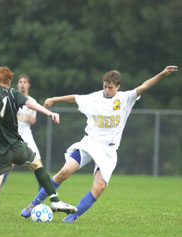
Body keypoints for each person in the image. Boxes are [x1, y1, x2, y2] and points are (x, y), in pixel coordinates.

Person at [21, 65, 178, 223]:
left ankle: (71, 217)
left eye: (110, 88)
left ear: (118, 86)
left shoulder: (125, 98)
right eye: (105, 87)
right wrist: (55, 99)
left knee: (100, 187)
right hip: (90, 143)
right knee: (64, 172)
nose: (107, 90)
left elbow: (145, 86)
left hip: (108, 150)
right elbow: (75, 98)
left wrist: (162, 74)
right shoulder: (95, 97)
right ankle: (32, 205)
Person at [0, 66, 77, 223]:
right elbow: (30, 104)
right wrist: (49, 113)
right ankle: (55, 200)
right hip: (17, 147)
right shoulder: (13, 93)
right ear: (10, 81)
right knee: (37, 165)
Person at [1, 74, 42, 187]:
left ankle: (41, 194)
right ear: (17, 84)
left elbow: (33, 120)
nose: (22, 84)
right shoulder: (11, 99)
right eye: (20, 82)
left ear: (29, 85)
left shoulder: (32, 101)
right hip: (14, 135)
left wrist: (32, 119)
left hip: (27, 135)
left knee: (37, 163)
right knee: (10, 164)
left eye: (25, 82)